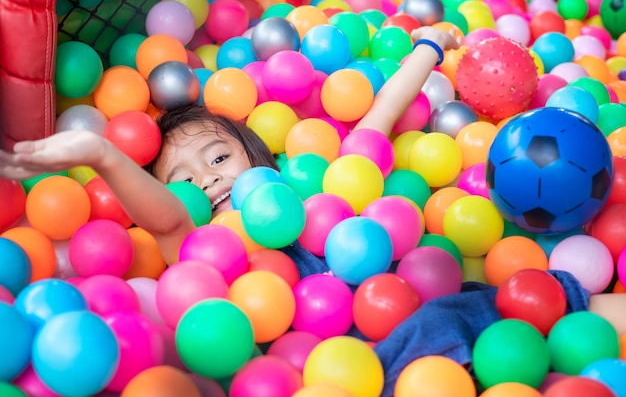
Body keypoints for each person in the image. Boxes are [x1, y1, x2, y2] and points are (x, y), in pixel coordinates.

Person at [0, 26, 624, 396]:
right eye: (183, 180)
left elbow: (379, 115)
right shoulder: (201, 243)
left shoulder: (313, 185)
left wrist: (431, 46)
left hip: (399, 302)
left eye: (217, 160)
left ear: (254, 153)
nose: (206, 183)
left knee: (506, 297)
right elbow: (164, 218)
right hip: (323, 365)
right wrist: (101, 155)